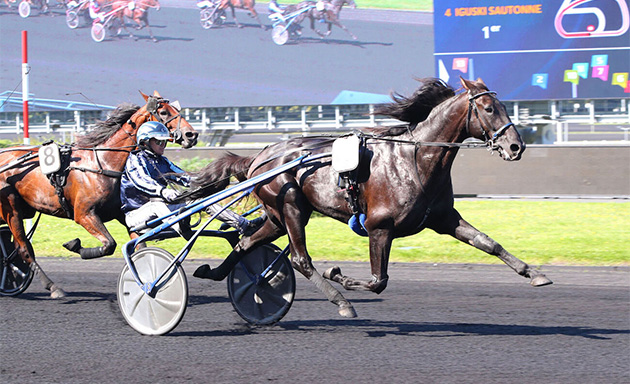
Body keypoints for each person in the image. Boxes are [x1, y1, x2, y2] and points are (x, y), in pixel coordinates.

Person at [120, 121, 259, 238]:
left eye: (164, 141)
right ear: (145, 142)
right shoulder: (135, 159)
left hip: (162, 213)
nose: (163, 144)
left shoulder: (163, 161)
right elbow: (142, 181)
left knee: (201, 201)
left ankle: (244, 225)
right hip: (136, 215)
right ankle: (181, 228)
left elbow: (184, 177)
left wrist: (214, 181)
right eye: (158, 141)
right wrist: (163, 192)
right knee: (156, 205)